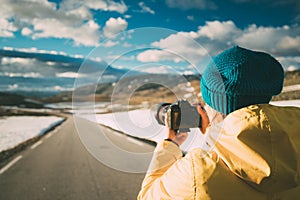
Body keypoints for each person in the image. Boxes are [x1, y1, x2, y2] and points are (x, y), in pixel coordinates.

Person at [137, 46, 300, 200]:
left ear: (214, 105)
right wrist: (215, 135)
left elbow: (147, 196)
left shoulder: (197, 170)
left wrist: (169, 144)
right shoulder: (295, 142)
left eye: (206, 103)